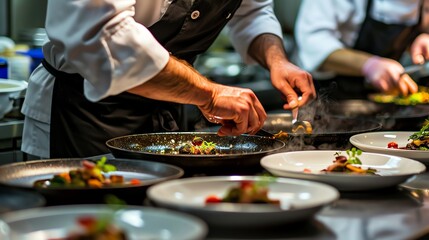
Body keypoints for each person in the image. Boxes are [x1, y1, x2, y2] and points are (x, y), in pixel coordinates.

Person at [21, 0, 316, 159]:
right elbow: (102, 35)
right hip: (82, 116)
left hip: (169, 111)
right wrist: (209, 94)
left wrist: (277, 60)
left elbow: (252, 11)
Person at [292, 0, 429, 100]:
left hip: (381, 101)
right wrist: (369, 65)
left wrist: (418, 39)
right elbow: (312, 42)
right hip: (329, 97)